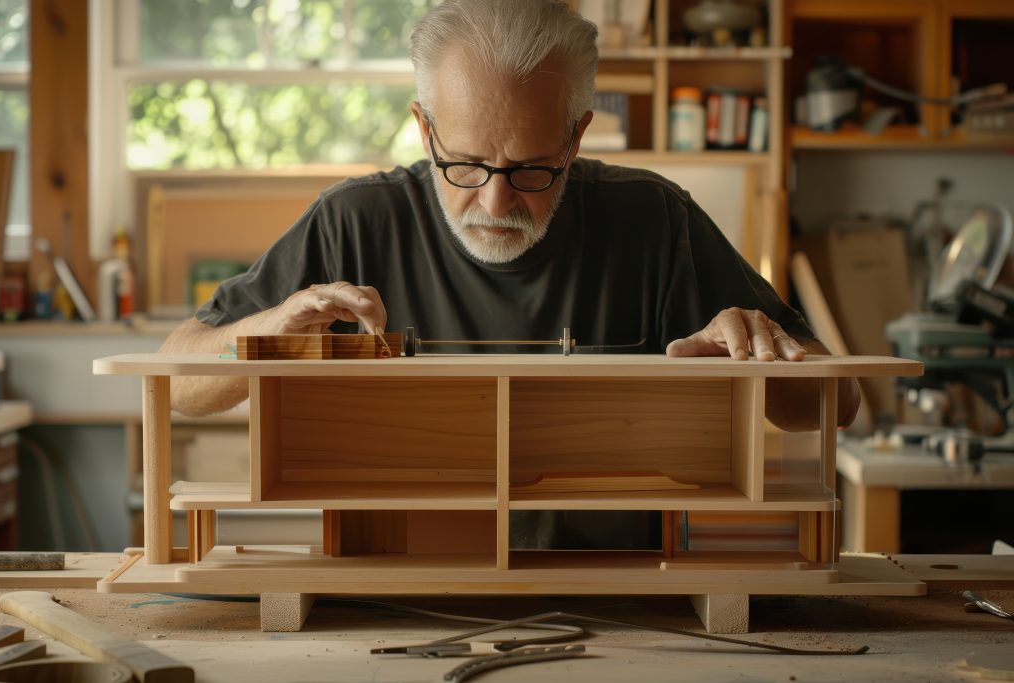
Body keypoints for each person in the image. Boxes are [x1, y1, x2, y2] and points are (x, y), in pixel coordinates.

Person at [160, 0, 857, 547]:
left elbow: (838, 403)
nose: (496, 202)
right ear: (423, 127)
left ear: (576, 134)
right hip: (393, 600)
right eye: (463, 164)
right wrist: (264, 334)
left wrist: (759, 358)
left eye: (530, 168)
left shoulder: (653, 219)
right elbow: (177, 383)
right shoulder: (354, 221)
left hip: (621, 602)